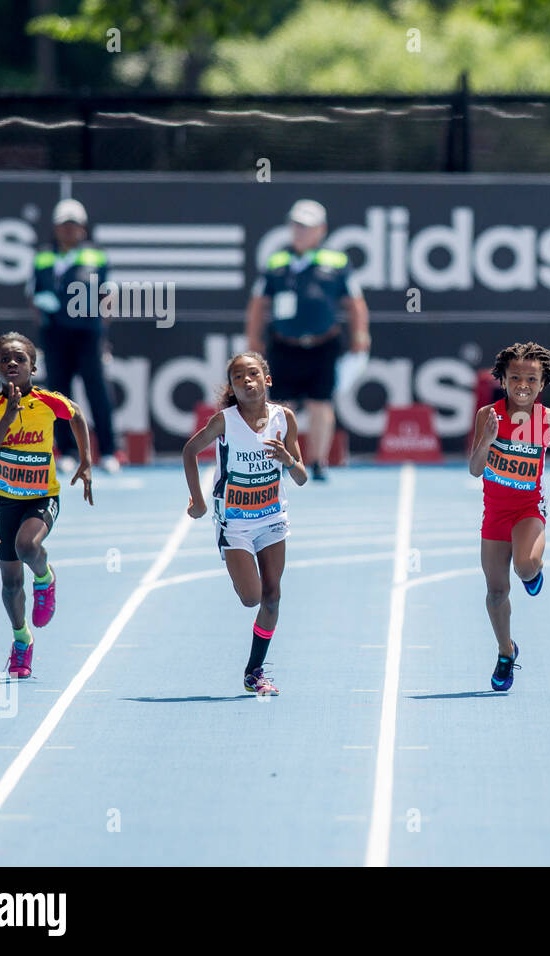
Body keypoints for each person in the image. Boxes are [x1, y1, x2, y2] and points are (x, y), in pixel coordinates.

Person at [182, 351, 308, 696]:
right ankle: (255, 667)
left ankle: (255, 672)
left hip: (272, 520)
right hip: (235, 524)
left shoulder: (284, 419)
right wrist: (198, 500)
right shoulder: (224, 422)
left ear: (267, 380)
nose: (247, 381)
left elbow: (301, 477)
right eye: (239, 378)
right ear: (233, 388)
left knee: (272, 597)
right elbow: (190, 452)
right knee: (251, 598)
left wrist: (287, 459)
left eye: (253, 374)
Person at [0, 332, 94, 679]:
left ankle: (44, 576)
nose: (12, 363)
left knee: (27, 546)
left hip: (43, 497)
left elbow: (77, 415)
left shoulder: (47, 401)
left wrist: (85, 461)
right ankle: (22, 641)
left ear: (33, 367)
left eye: (20, 359)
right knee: (10, 583)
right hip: (7, 502)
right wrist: (7, 421)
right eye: (5, 360)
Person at [468, 342, 550, 692]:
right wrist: (487, 440)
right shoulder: (489, 415)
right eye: (515, 377)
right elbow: (474, 469)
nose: (523, 385)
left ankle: (533, 572)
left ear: (542, 384)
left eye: (531, 379)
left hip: (528, 510)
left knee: (526, 566)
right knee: (496, 592)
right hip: (495, 514)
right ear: (503, 379)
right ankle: (505, 651)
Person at [245, 199, 369, 482]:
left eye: (306, 226)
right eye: (296, 225)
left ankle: (318, 462)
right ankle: (279, 459)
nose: (300, 232)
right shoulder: (276, 261)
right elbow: (258, 303)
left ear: (321, 230)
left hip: (323, 344)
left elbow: (355, 303)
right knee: (278, 405)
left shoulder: (337, 261)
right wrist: (253, 338)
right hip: (283, 343)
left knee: (321, 402)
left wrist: (361, 335)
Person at [28, 198, 120, 473]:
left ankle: (108, 451)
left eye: (74, 225)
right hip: (55, 335)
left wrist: (101, 331)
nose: (69, 231)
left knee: (97, 392)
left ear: (83, 229)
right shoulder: (43, 257)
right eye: (64, 225)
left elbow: (108, 295)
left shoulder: (96, 256)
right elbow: (32, 295)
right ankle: (66, 450)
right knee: (58, 393)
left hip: (88, 334)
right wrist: (43, 317)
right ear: (56, 228)